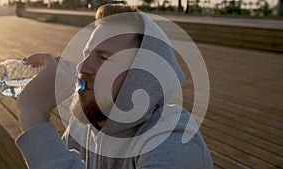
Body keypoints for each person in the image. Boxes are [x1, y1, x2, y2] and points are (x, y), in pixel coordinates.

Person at [16, 4, 213, 169]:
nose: (82, 67)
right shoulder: (81, 127)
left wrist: (35, 116)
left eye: (103, 58)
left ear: (140, 76)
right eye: (87, 54)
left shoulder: (174, 140)